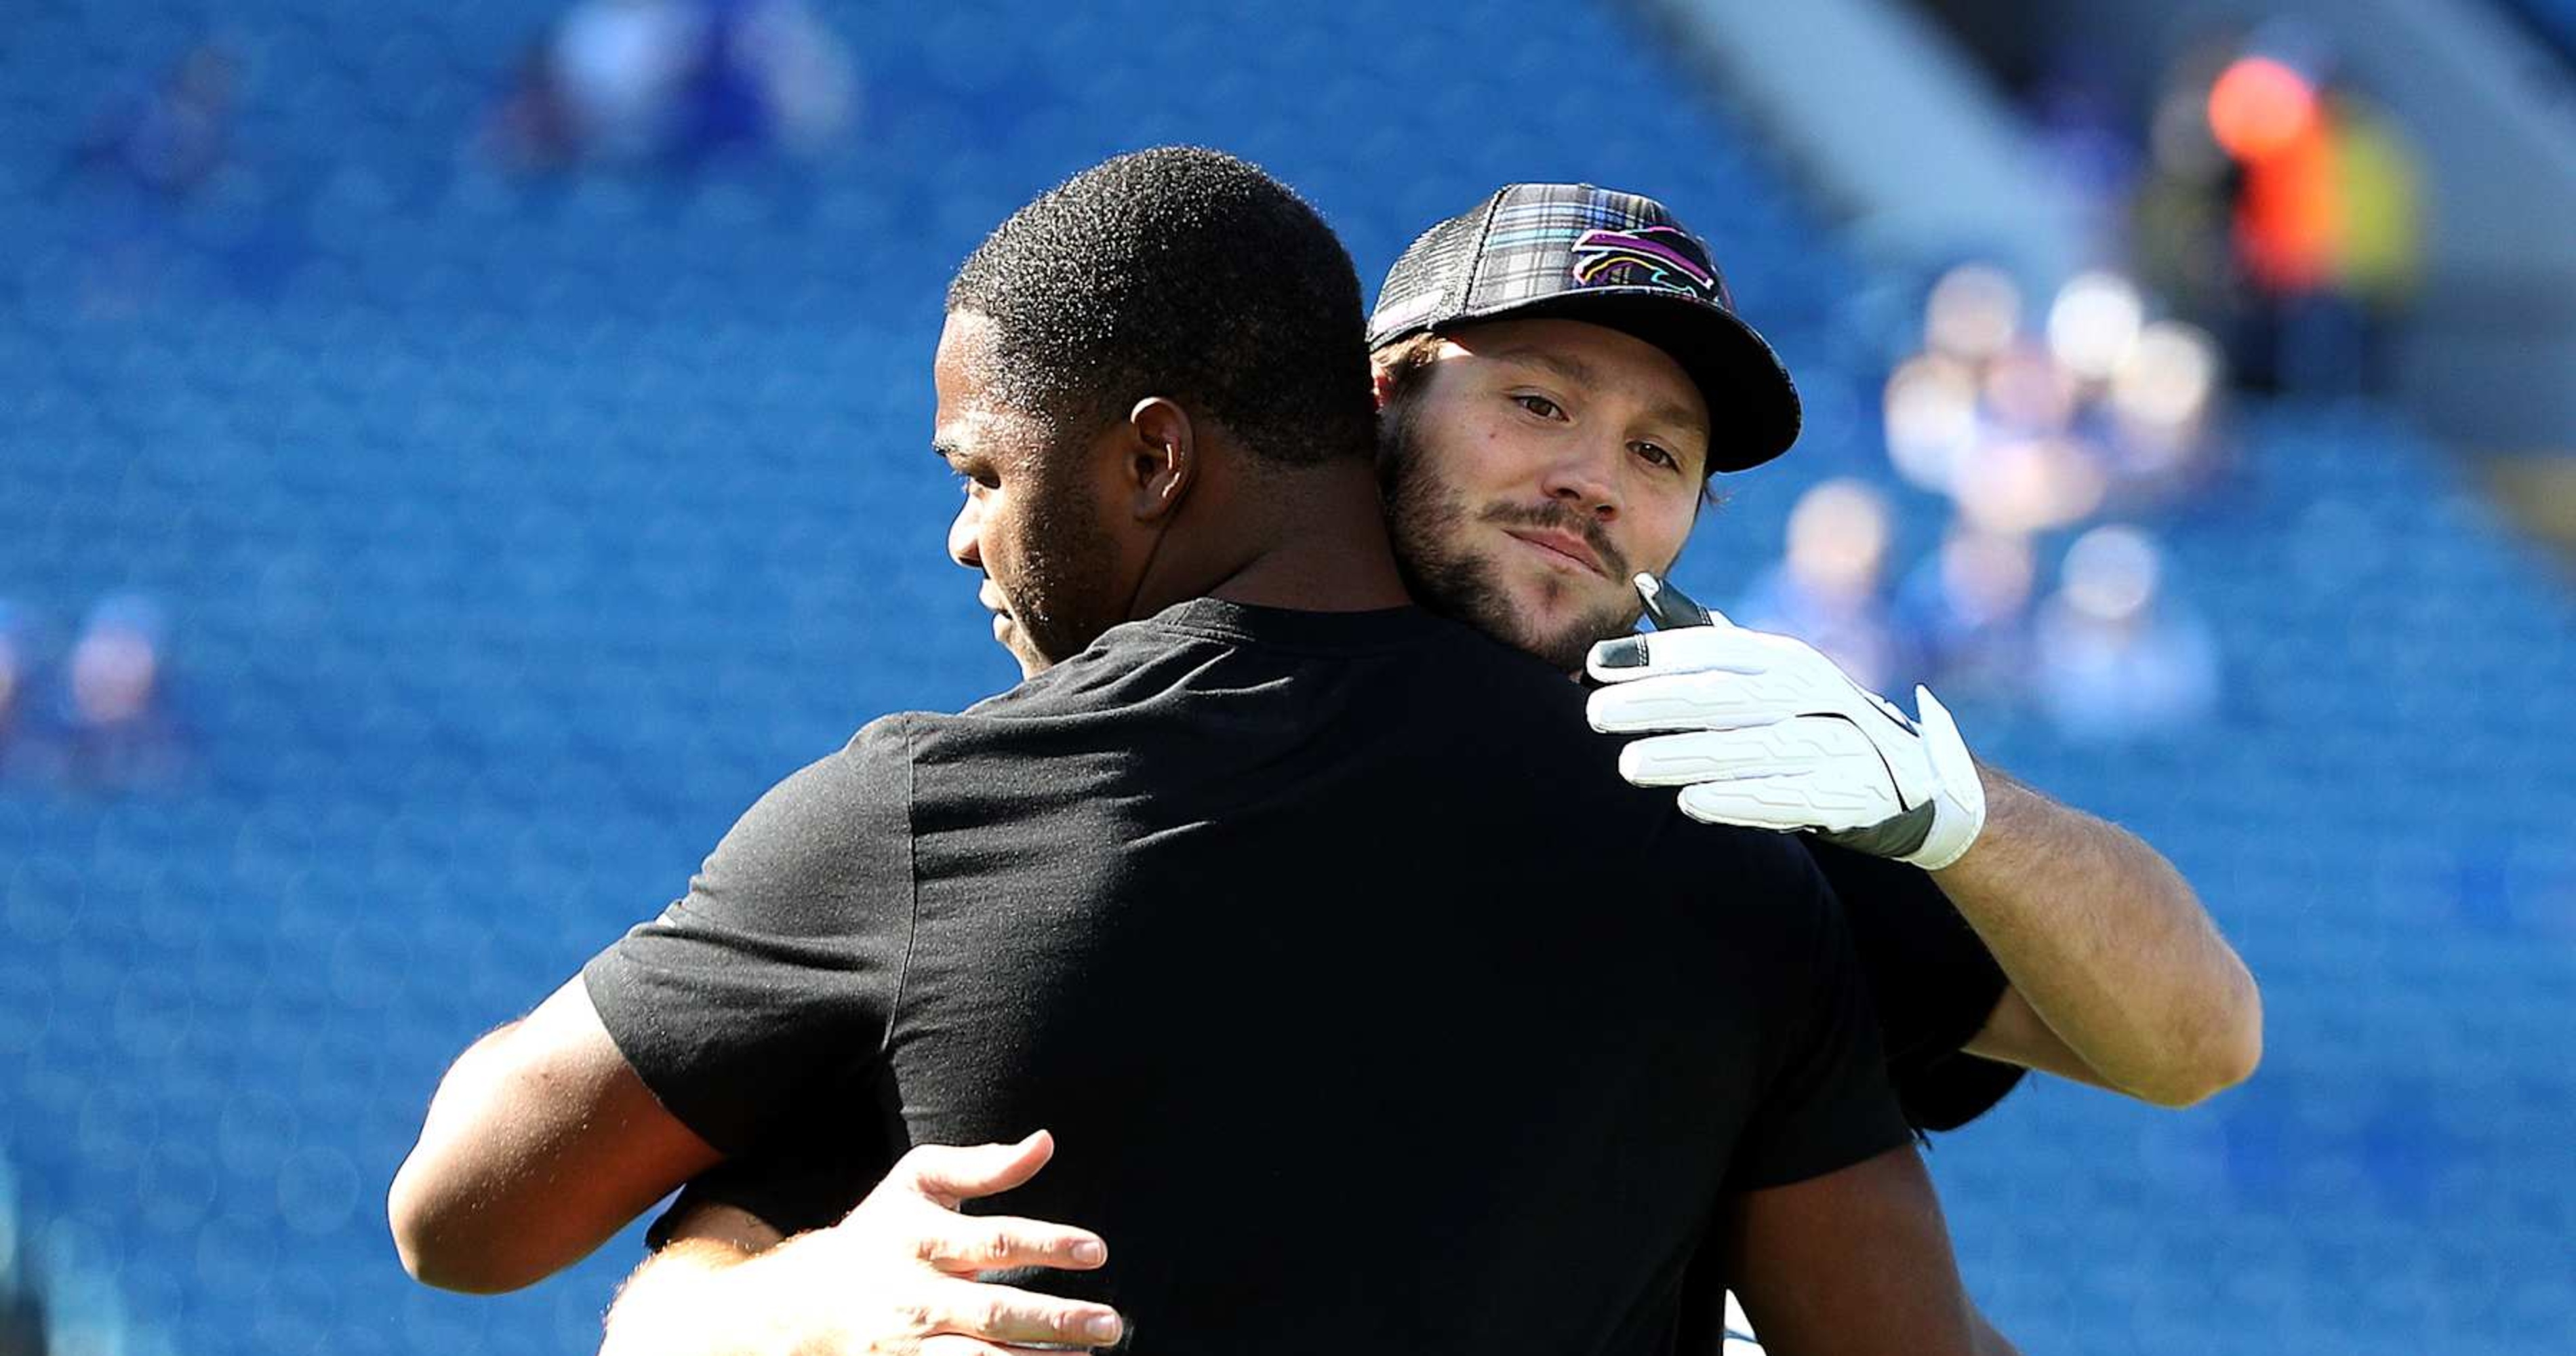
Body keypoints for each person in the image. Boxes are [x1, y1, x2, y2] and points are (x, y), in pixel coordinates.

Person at [393, 173, 2259, 1352]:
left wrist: (1944, 803)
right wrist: (797, 1302)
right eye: (1539, 401)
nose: (1593, 481)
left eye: (1662, 453)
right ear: (1369, 401)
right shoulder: (1017, 792)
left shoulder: (1734, 794)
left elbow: (2195, 1039)